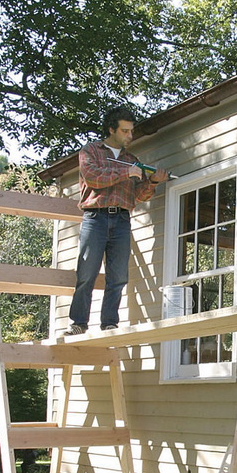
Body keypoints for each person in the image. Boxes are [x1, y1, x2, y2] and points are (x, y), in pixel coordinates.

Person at [64, 106, 170, 335]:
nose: (130, 136)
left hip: (122, 219)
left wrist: (152, 182)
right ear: (111, 129)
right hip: (95, 218)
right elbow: (93, 178)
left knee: (119, 276)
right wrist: (126, 173)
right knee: (86, 273)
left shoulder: (132, 160)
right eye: (125, 131)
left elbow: (136, 196)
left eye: (131, 131)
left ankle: (109, 323)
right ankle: (78, 323)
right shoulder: (90, 151)